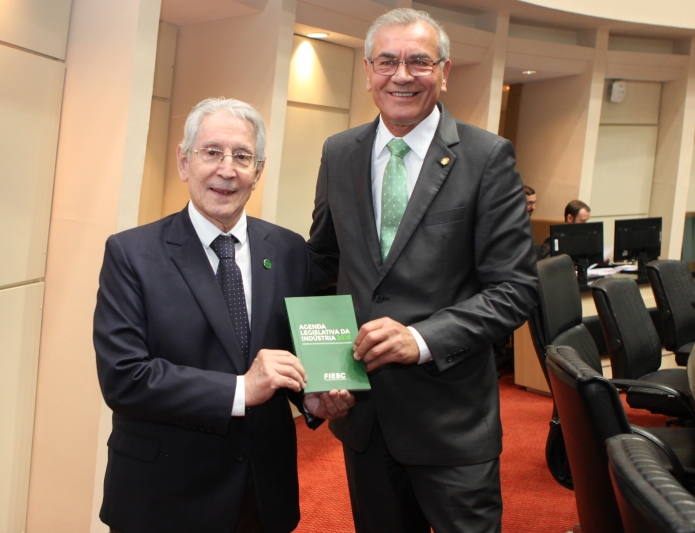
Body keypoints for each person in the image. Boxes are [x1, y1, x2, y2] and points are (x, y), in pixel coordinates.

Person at [306, 8, 538, 533]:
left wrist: (421, 338)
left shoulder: (486, 157)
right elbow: (325, 263)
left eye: (419, 61)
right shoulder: (339, 153)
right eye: (386, 61)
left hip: (450, 421)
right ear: (368, 71)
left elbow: (515, 288)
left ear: (445, 70)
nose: (402, 75)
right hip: (363, 416)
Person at [94, 97, 354, 533]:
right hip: (163, 497)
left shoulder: (288, 250)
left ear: (259, 170)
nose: (227, 170)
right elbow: (124, 378)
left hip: (261, 493)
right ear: (183, 161)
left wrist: (310, 396)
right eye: (211, 152)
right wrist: (240, 389)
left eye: (242, 156)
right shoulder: (131, 253)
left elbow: (289, 349)